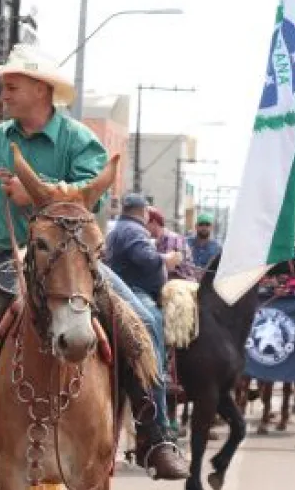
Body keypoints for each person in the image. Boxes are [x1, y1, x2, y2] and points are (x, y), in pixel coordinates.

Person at [0, 44, 190, 487]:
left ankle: (156, 435)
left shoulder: (78, 139)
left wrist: (38, 192)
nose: (3, 92)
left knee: (144, 320)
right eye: (3, 85)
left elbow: (91, 188)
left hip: (73, 256)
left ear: (42, 90)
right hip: (10, 259)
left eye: (12, 85)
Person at [106, 194, 184, 452]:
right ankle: (156, 372)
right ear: (145, 214)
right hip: (135, 291)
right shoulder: (132, 230)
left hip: (130, 287)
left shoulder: (122, 228)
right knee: (153, 322)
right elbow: (145, 258)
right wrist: (167, 260)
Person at [147, 206, 197, 281]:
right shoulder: (157, 241)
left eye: (144, 224)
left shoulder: (172, 239)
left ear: (154, 223)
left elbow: (169, 267)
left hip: (182, 284)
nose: (142, 228)